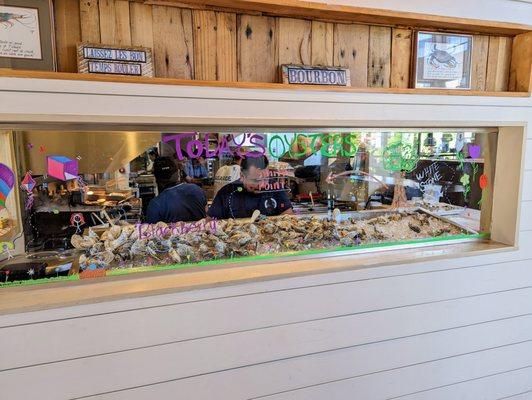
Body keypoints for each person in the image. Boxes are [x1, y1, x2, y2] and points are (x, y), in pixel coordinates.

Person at [208, 156, 293, 220]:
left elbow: (288, 215)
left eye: (266, 179)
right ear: (242, 176)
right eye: (256, 180)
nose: (262, 185)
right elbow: (210, 221)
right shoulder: (226, 193)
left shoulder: (275, 188)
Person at [146, 157, 207, 223]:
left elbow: (153, 231)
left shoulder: (155, 204)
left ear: (156, 178)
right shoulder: (197, 190)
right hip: (201, 232)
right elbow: (207, 216)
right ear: (178, 173)